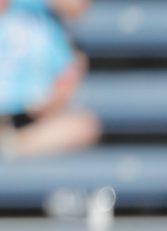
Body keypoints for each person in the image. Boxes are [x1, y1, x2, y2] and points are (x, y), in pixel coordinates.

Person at [0, 0, 101, 160]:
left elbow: (76, 6)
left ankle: (10, 146)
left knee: (81, 126)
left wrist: (51, 102)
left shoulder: (42, 27)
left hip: (28, 120)